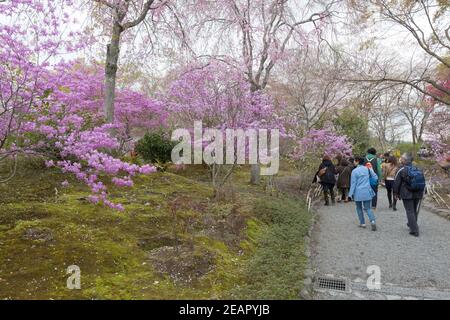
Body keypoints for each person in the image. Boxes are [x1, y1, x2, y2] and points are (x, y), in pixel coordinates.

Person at [393, 153, 426, 237]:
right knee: (413, 210)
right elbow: (423, 181)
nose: (401, 159)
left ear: (404, 160)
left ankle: (414, 230)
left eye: (402, 158)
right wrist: (423, 192)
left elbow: (396, 183)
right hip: (418, 192)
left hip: (406, 193)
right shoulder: (418, 168)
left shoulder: (401, 169)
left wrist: (396, 193)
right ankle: (411, 223)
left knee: (409, 211)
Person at [349, 156, 378, 231]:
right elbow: (375, 178)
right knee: (368, 208)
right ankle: (373, 221)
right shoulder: (368, 169)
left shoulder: (354, 171)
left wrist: (350, 194)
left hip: (358, 192)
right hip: (367, 191)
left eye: (354, 161)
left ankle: (362, 223)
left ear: (357, 161)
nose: (353, 162)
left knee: (359, 208)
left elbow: (353, 184)